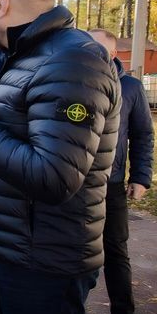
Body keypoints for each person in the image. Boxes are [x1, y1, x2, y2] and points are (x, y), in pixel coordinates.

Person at [0, 0, 121, 314]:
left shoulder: (74, 60)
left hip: (38, 270)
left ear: (0, 3)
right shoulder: (21, 57)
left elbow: (54, 177)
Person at [88, 28, 153, 314]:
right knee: (74, 253)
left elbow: (142, 134)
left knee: (115, 251)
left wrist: (140, 177)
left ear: (114, 54)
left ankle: (123, 309)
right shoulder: (70, 81)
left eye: (100, 49)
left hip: (111, 185)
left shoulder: (131, 88)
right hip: (74, 184)